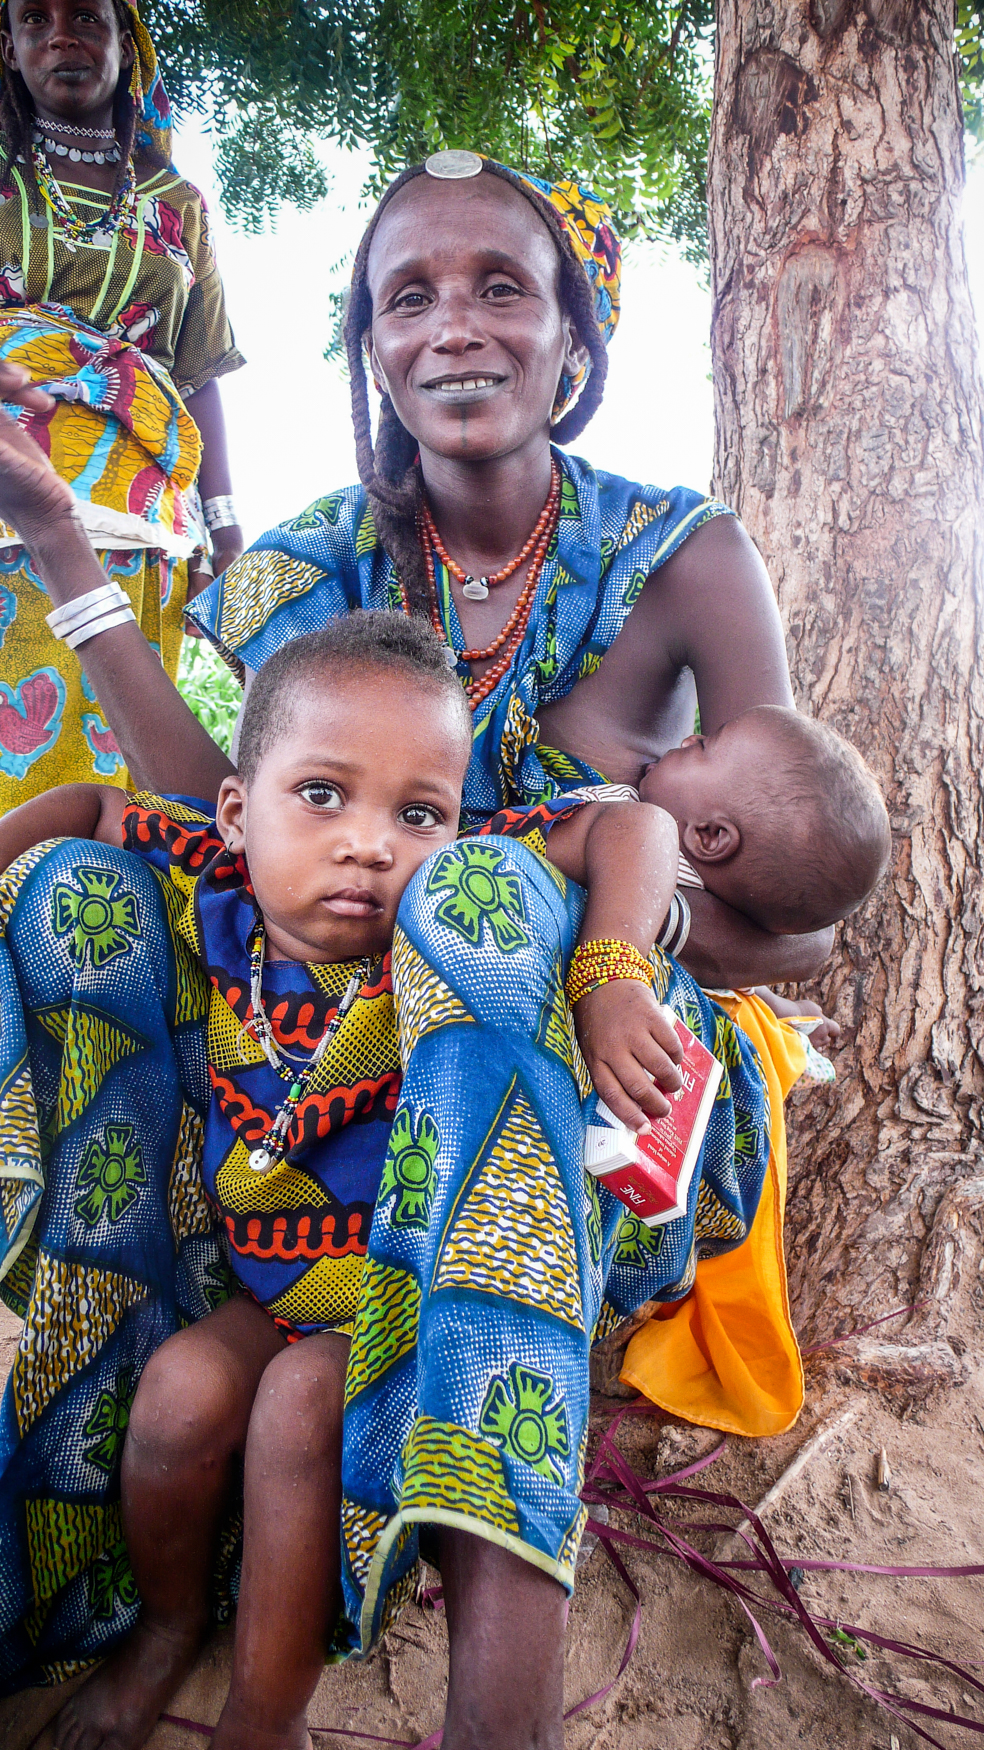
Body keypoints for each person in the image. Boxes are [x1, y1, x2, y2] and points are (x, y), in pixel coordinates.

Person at [0, 151, 857, 1747]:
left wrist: (609, 925)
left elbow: (807, 904)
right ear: (372, 354)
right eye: (411, 296)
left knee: (478, 907)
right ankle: (97, 1537)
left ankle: (497, 1685)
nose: (456, 324)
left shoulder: (685, 557)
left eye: (501, 288)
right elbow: (224, 806)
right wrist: (62, 549)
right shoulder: (313, 561)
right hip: (312, 1049)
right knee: (84, 892)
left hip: (602, 1081)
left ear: (574, 343)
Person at [0, 0, 243, 807]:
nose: (63, 36)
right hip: (8, 476)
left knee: (121, 757)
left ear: (125, 41)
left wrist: (228, 529)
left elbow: (200, 371)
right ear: (8, 44)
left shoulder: (181, 204)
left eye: (87, 18)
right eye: (35, 20)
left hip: (144, 509)